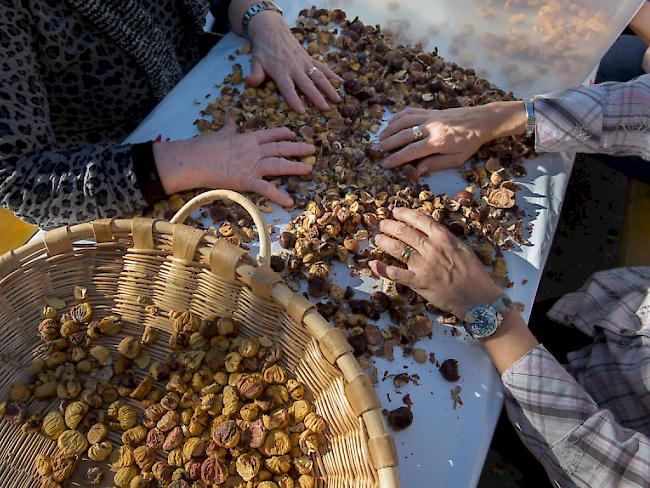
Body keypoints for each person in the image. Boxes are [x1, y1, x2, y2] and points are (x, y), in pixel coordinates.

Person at [369, 77, 650, 486]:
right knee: (543, 321)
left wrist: (485, 311)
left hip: (578, 418)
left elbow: (612, 469)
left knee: (467, 423)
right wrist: (503, 117)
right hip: (610, 311)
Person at [0, 0, 341, 229]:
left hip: (207, 90)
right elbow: (22, 182)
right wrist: (194, 159)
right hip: (117, 175)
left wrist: (263, 21)